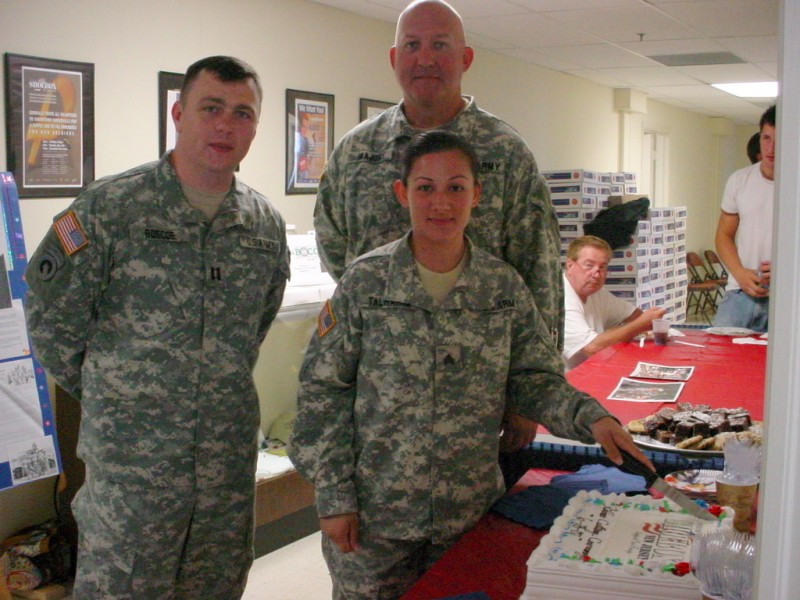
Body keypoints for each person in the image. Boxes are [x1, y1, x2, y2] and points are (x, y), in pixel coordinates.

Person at [289, 130, 653, 600]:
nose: (441, 202)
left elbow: (532, 379)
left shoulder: (501, 288)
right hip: (376, 520)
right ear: (403, 194)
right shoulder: (366, 282)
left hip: (466, 514)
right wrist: (334, 498)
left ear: (476, 195)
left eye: (456, 187)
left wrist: (591, 417)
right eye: (425, 187)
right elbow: (322, 394)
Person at [24, 56, 290, 599]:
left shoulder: (263, 226)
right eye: (210, 108)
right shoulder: (110, 209)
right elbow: (51, 321)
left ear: (255, 128)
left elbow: (253, 329)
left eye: (242, 113)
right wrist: (118, 394)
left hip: (223, 475)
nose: (225, 125)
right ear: (179, 113)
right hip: (133, 475)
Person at [313, 0, 560, 481]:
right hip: (379, 404)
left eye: (440, 46)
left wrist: (532, 393)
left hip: (476, 403)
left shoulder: (505, 153)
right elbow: (336, 250)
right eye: (412, 45)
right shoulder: (358, 151)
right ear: (394, 58)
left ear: (465, 59)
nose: (425, 58)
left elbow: (541, 277)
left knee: (473, 546)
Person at [712, 104, 775, 333]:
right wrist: (738, 271)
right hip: (740, 291)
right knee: (721, 359)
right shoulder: (739, 180)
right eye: (766, 138)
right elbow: (723, 236)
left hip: (789, 297)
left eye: (780, 140)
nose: (771, 148)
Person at [562, 236, 666, 370]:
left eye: (602, 267)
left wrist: (642, 322)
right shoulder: (561, 299)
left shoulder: (597, 293)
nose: (596, 274)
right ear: (570, 265)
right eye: (589, 265)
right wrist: (640, 325)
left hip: (594, 369)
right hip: (565, 380)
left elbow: (634, 315)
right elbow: (592, 347)